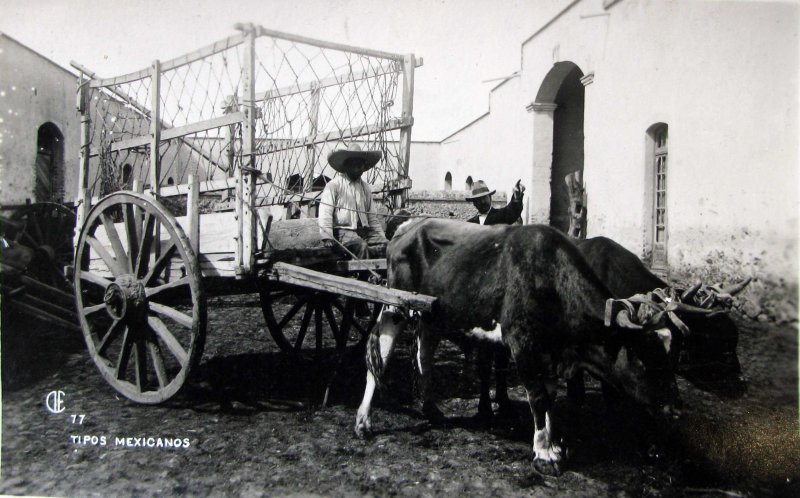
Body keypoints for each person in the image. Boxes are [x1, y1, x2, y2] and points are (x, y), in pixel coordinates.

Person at [464, 179, 526, 421]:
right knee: (483, 345)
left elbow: (514, 211)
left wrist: (517, 196)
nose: (482, 202)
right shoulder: (468, 225)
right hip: (479, 288)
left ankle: (502, 395)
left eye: (485, 198)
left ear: (490, 198)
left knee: (501, 344)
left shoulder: (500, 215)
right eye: (477, 200)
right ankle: (483, 399)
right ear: (473, 203)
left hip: (500, 284)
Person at [318, 144, 388, 258]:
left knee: (387, 246)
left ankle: (383, 274)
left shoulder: (365, 188)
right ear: (346, 166)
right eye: (353, 165)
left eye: (360, 165)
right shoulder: (334, 185)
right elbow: (325, 212)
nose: (357, 168)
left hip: (364, 232)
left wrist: (381, 236)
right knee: (361, 246)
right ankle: (365, 276)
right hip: (342, 232)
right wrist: (327, 237)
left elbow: (372, 218)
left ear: (364, 167)